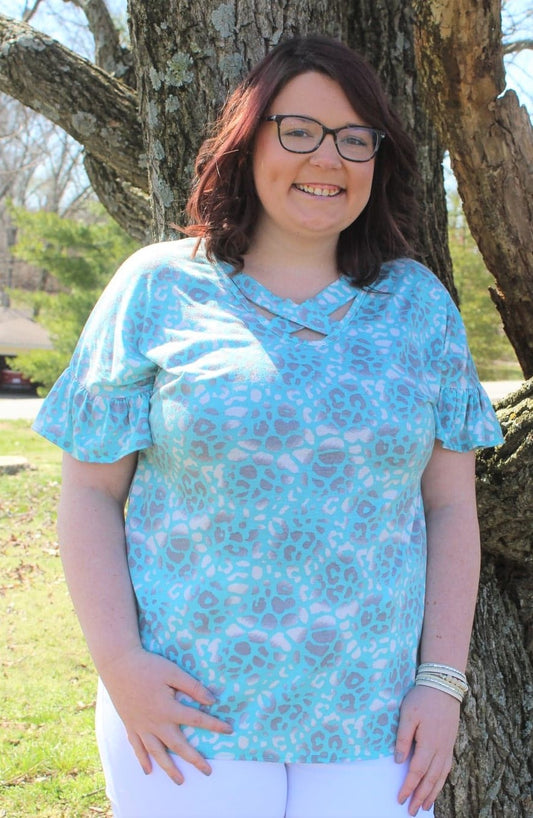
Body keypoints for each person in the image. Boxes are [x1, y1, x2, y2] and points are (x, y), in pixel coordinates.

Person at [34, 35, 503, 818]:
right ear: (246, 143)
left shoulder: (416, 305)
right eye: (299, 131)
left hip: (374, 722)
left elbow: (449, 507)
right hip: (184, 716)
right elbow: (88, 491)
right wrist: (119, 663)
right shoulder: (155, 288)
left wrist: (441, 684)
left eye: (355, 139)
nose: (329, 158)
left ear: (378, 162)